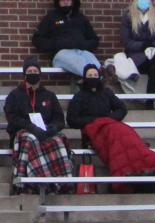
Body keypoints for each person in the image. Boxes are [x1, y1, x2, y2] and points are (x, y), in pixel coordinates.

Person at [5, 60, 74, 196]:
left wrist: (53, 128)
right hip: (24, 131)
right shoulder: (15, 95)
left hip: (46, 130)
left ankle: (61, 183)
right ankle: (31, 184)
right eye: (29, 72)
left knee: (59, 140)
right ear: (24, 74)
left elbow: (59, 119)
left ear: (40, 74)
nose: (32, 74)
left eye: (35, 71)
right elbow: (12, 118)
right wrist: (31, 127)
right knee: (31, 140)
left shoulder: (49, 95)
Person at [32, 0, 102, 81]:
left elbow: (94, 40)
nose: (65, 2)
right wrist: (57, 43)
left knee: (92, 61)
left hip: (81, 51)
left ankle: (101, 77)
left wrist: (82, 44)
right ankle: (98, 78)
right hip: (61, 54)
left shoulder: (81, 18)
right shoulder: (51, 17)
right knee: (80, 63)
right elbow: (37, 39)